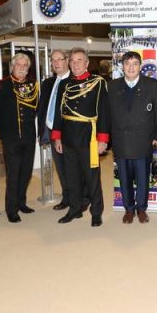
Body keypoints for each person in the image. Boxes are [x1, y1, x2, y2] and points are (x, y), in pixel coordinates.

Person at [52, 48, 109, 226]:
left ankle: (96, 212)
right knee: (72, 177)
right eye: (73, 61)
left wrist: (103, 140)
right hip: (68, 137)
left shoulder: (98, 82)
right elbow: (58, 113)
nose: (75, 64)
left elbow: (104, 112)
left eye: (79, 60)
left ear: (86, 63)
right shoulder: (64, 84)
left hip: (89, 137)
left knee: (92, 177)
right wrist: (57, 137)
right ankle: (75, 209)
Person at [108, 51, 157, 224]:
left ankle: (141, 209)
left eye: (135, 64)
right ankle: (128, 209)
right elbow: (106, 115)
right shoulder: (112, 86)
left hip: (143, 140)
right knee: (124, 178)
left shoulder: (152, 85)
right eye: (127, 64)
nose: (131, 67)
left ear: (140, 66)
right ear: (122, 66)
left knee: (142, 179)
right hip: (121, 141)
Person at [0, 53, 39, 223]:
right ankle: (11, 209)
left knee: (26, 173)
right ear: (12, 66)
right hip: (11, 138)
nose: (22, 67)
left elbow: (35, 109)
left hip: (28, 136)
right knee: (13, 175)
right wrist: (6, 131)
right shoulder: (0, 85)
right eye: (19, 64)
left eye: (25, 65)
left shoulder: (33, 85)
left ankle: (21, 203)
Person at [37, 50, 71, 211]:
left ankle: (80, 198)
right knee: (61, 168)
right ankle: (67, 197)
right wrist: (42, 131)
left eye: (60, 59)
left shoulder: (74, 81)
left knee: (74, 167)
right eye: (53, 60)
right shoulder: (48, 83)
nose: (56, 63)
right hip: (51, 131)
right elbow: (42, 108)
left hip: (69, 133)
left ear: (67, 61)